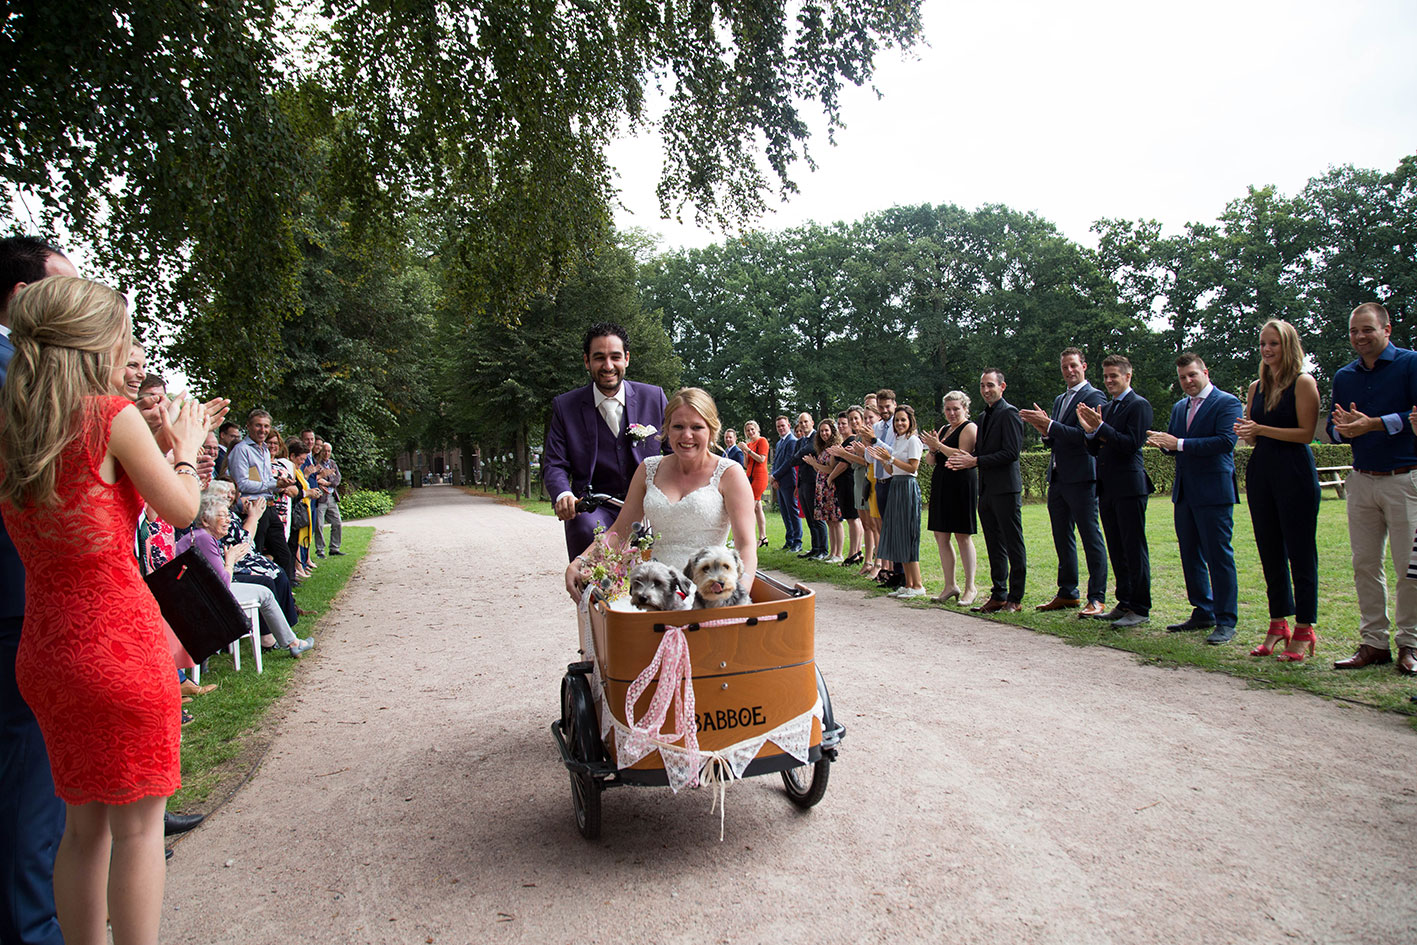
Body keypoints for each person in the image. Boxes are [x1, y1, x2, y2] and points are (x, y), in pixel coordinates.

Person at [0, 276, 213, 945]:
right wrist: (184, 449)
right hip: (116, 640)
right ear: (96, 341)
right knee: (139, 828)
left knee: (80, 828)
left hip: (46, 648)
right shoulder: (106, 415)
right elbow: (182, 510)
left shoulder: (13, 426)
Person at [0, 236, 76, 945]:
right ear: (27, 300)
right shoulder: (20, 377)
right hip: (22, 598)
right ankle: (32, 926)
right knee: (32, 780)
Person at [564, 387, 757, 599]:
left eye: (697, 427)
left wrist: (738, 594)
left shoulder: (730, 474)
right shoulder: (648, 469)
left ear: (711, 430)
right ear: (667, 429)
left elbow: (746, 545)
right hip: (656, 592)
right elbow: (620, 531)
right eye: (678, 426)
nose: (686, 435)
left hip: (708, 593)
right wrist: (581, 561)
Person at [1328, 302, 1417, 676]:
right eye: (1354, 331)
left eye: (1367, 329)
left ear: (1387, 329)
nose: (1360, 337)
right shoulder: (1344, 376)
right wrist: (1343, 429)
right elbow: (1334, 426)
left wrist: (1373, 424)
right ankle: (1374, 643)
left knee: (1408, 569)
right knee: (1365, 565)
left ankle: (1410, 645)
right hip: (1362, 479)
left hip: (1404, 479)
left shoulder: (1410, 364)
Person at [543, 322, 669, 561]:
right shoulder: (565, 406)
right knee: (586, 530)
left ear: (627, 359)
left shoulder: (654, 397)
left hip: (647, 505)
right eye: (599, 357)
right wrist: (563, 495)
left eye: (615, 357)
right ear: (587, 361)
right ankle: (591, 595)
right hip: (593, 506)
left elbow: (675, 452)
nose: (608, 366)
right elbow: (554, 464)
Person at [1235, 320, 1321, 661]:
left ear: (1289, 346)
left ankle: (1304, 628)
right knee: (1269, 551)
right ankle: (1277, 624)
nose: (1267, 350)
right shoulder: (1256, 386)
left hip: (1295, 471)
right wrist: (1249, 432)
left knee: (1300, 552)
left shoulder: (1303, 382)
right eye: (1263, 344)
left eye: (1274, 344)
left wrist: (1262, 429)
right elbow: (1253, 433)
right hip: (1262, 471)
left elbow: (1306, 433)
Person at [1148, 352, 1243, 645]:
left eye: (1192, 375)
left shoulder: (1227, 403)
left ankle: (1226, 619)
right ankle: (1203, 610)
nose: (1187, 381)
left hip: (1214, 492)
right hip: (1185, 492)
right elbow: (1175, 443)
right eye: (1182, 378)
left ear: (1205, 372)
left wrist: (1179, 443)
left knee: (1218, 556)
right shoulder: (1179, 407)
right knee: (1190, 554)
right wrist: (1164, 443)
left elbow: (1226, 441)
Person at [1019, 348, 1108, 616]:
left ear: (1084, 366)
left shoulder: (1094, 397)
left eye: (1073, 366)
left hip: (1082, 477)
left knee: (1090, 536)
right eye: (1064, 367)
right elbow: (1057, 437)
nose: (1069, 371)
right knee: (1062, 536)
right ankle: (1068, 592)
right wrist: (1044, 431)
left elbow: (1086, 436)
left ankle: (1097, 596)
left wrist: (1051, 425)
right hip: (1057, 478)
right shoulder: (1060, 399)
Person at [178, 491, 313, 657]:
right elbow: (223, 583)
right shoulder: (204, 539)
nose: (228, 520)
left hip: (203, 591)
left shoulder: (204, 537)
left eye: (229, 515)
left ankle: (290, 641)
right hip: (205, 596)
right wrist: (231, 560)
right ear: (205, 520)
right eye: (222, 515)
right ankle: (289, 642)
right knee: (265, 591)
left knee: (266, 590)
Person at [1078, 355, 1155, 629]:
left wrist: (1100, 428)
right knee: (1117, 547)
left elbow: (1131, 444)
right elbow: (1095, 449)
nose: (1110, 380)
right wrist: (1090, 433)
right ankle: (1124, 601)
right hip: (1107, 486)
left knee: (1134, 548)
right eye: (1106, 376)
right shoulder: (1107, 408)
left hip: (1130, 487)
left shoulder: (1139, 405)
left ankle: (1140, 606)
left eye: (1115, 376)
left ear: (1127, 376)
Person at [954, 370, 1025, 612]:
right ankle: (998, 594)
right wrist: (968, 459)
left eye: (990, 385)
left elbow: (1011, 453)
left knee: (1013, 543)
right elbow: (981, 453)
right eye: (982, 385)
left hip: (1006, 489)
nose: (986, 390)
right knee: (994, 544)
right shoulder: (983, 418)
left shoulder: (1010, 413)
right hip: (986, 490)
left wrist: (976, 461)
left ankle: (1015, 598)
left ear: (1002, 386)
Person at [921, 390, 979, 606]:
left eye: (956, 409)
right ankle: (950, 585)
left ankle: (970, 586)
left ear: (965, 409)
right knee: (941, 535)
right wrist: (932, 448)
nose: (952, 413)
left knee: (962, 536)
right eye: (948, 409)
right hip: (942, 483)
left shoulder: (969, 428)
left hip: (962, 483)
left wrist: (938, 446)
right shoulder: (945, 429)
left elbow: (962, 454)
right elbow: (929, 460)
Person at [226, 408, 297, 576]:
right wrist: (272, 484)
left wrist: (279, 485)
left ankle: (286, 598)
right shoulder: (242, 450)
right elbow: (241, 483)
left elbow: (265, 481)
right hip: (253, 508)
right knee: (254, 553)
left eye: (266, 426)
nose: (263, 430)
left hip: (269, 506)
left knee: (284, 555)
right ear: (249, 426)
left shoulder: (264, 450)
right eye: (258, 426)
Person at [871, 405, 926, 598]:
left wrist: (891, 459)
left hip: (907, 487)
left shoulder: (913, 440)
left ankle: (917, 584)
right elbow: (893, 470)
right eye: (897, 420)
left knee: (908, 535)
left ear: (910, 421)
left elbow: (912, 467)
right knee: (900, 536)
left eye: (903, 420)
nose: (900, 423)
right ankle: (908, 583)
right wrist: (885, 461)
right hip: (896, 485)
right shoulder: (899, 440)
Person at [802, 418, 845, 562]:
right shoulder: (823, 448)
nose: (824, 433)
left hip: (830, 486)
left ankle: (838, 553)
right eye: (821, 431)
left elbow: (830, 469)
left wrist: (815, 463)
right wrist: (813, 464)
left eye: (826, 430)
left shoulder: (835, 448)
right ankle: (832, 552)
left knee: (836, 520)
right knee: (829, 521)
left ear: (832, 431)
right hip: (821, 485)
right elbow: (819, 468)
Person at [793, 412, 827, 558]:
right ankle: (815, 547)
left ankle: (823, 549)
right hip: (802, 482)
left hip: (814, 481)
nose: (803, 425)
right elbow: (795, 460)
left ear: (812, 422)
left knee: (817, 518)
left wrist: (799, 457)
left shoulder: (815, 439)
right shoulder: (800, 441)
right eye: (801, 423)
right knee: (809, 517)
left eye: (806, 422)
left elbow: (799, 456)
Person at [769, 415, 801, 551]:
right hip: (780, 482)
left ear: (789, 426)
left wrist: (775, 475)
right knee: (784, 512)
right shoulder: (779, 442)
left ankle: (797, 541)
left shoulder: (792, 441)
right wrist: (774, 478)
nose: (781, 428)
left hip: (789, 480)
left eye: (783, 425)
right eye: (778, 426)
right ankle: (789, 539)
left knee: (792, 511)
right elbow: (776, 462)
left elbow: (788, 462)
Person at [740, 419, 770, 548]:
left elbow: (762, 459)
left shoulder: (762, 441)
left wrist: (749, 450)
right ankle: (763, 537)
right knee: (757, 508)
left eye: (752, 429)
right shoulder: (750, 444)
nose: (750, 432)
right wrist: (745, 453)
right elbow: (746, 465)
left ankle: (748, 539)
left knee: (749, 507)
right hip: (750, 475)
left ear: (757, 429)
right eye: (748, 430)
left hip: (760, 476)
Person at [314, 441, 344, 556]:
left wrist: (327, 483)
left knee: (337, 522)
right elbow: (315, 479)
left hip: (331, 497)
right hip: (321, 499)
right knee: (319, 525)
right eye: (325, 451)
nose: (326, 453)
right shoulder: (317, 463)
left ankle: (334, 548)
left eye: (329, 451)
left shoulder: (332, 464)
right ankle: (320, 550)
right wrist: (321, 482)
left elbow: (337, 480)